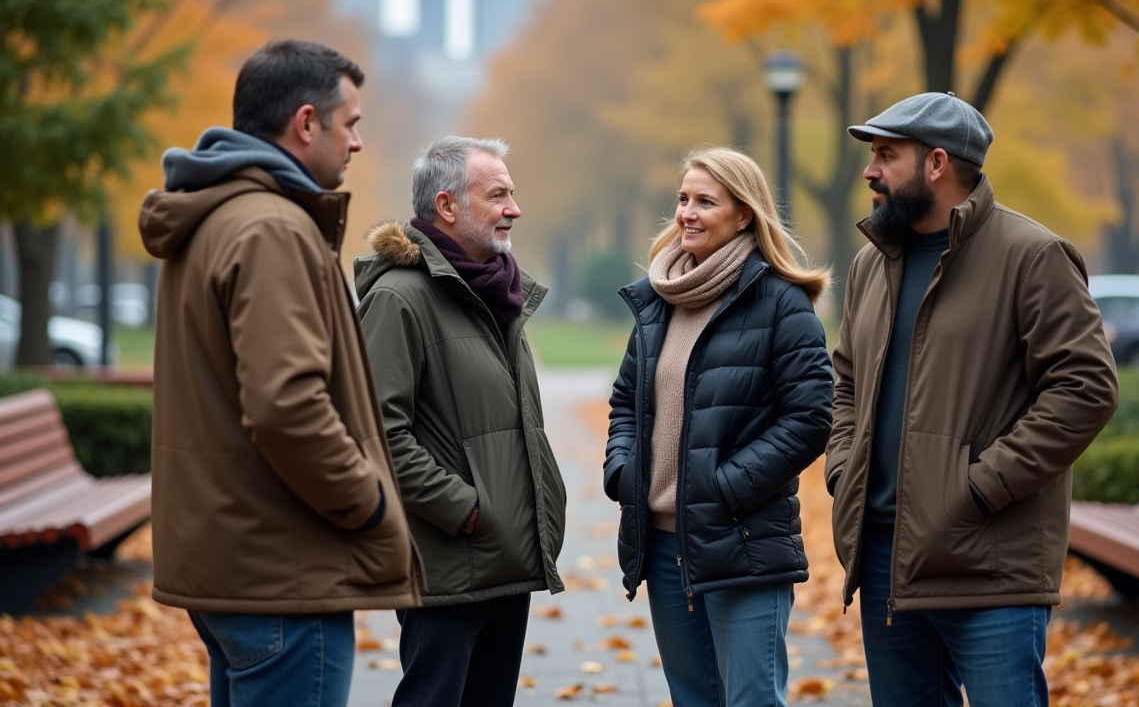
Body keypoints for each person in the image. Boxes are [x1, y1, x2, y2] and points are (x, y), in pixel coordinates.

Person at [139, 39, 422, 707]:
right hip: (285, 570)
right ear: (306, 123)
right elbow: (286, 406)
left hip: (237, 561)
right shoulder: (272, 228)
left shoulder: (218, 215)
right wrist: (369, 503)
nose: (357, 143)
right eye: (350, 123)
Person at [826, 92, 1119, 706]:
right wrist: (842, 466)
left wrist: (980, 489)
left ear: (937, 163)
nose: (870, 170)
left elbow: (1086, 388)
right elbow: (846, 380)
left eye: (886, 155)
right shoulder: (871, 264)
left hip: (991, 564)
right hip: (884, 558)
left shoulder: (1032, 256)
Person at [603, 147, 834, 706]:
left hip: (742, 541)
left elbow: (810, 417)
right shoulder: (658, 301)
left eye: (705, 201)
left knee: (751, 699)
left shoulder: (781, 303)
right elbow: (627, 401)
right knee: (694, 699)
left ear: (744, 214)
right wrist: (623, 471)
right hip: (662, 545)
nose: (687, 212)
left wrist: (724, 489)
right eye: (683, 199)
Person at [354, 135, 567, 707]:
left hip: (507, 558)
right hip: (449, 562)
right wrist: (467, 511)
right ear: (446, 205)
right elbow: (376, 435)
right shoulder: (399, 298)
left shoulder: (499, 294)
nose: (514, 208)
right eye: (497, 195)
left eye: (512, 193)